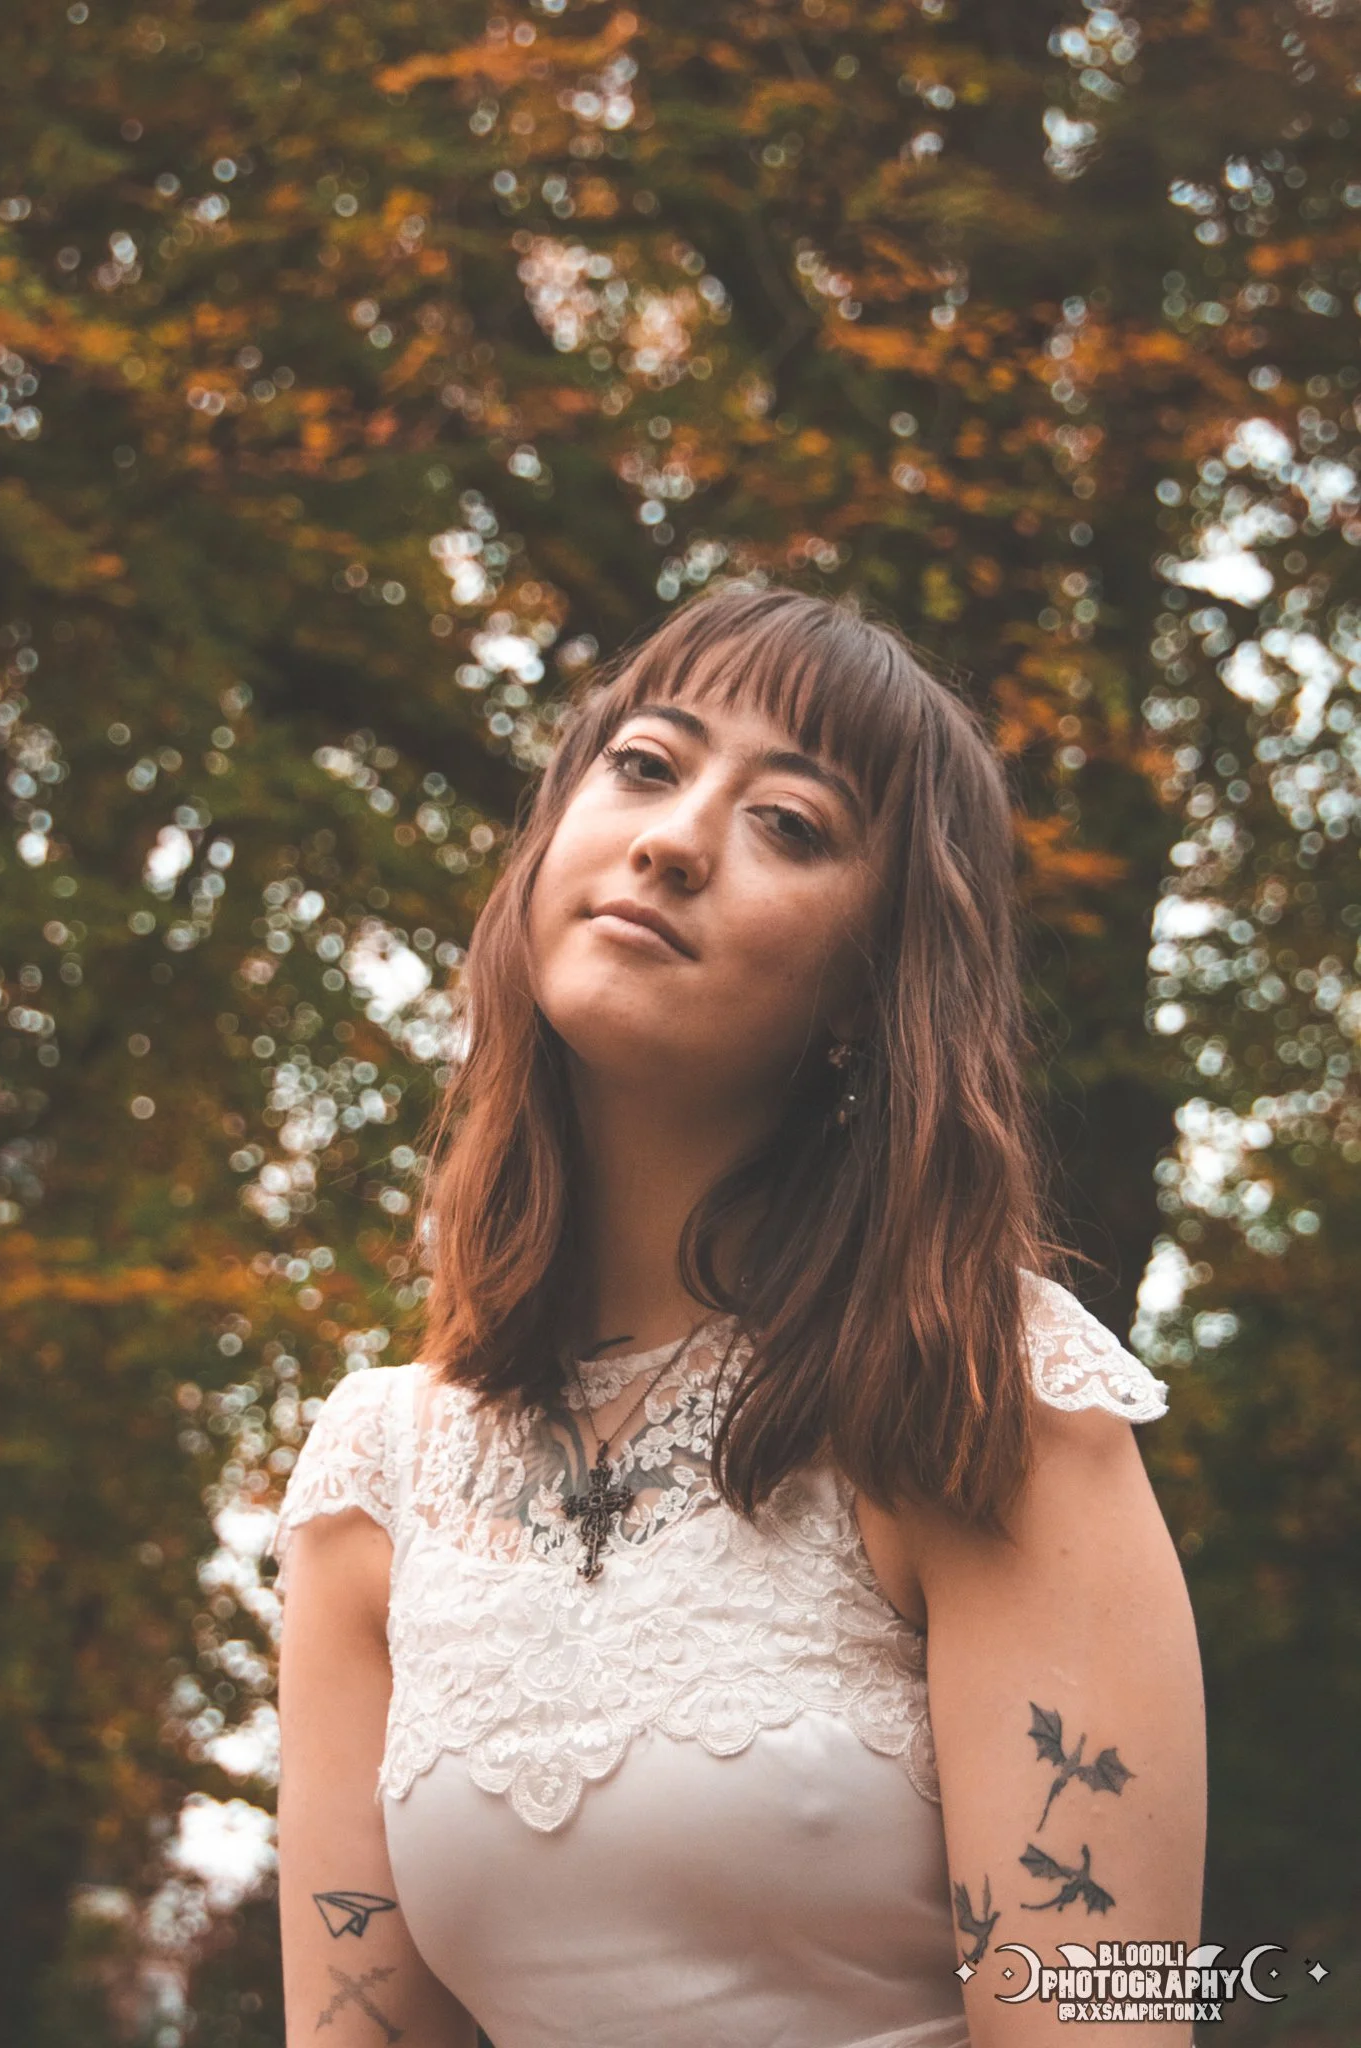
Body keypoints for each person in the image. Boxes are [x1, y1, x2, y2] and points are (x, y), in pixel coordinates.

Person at [268, 584, 1206, 2048]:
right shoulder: (374, 1480)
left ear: (865, 991)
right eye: (645, 764)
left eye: (791, 823)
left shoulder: (979, 1392)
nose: (673, 837)